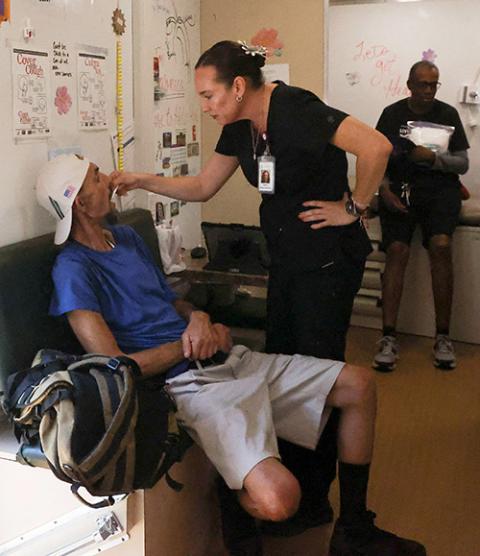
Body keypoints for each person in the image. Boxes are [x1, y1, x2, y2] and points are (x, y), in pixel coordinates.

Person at [36, 153, 426, 556]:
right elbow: (115, 368)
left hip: (226, 357)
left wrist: (200, 318)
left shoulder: (128, 238)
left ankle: (353, 528)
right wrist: (185, 345)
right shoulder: (72, 270)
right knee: (279, 500)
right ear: (80, 203)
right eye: (97, 178)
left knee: (359, 385)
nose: (108, 179)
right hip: (184, 384)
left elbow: (172, 303)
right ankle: (233, 500)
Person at [110, 40, 392, 552]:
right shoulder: (238, 128)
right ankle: (301, 490)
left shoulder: (298, 109)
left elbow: (377, 147)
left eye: (209, 94)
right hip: (287, 265)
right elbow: (201, 187)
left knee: (320, 377)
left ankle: (318, 503)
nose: (205, 105)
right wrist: (138, 180)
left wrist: (355, 208)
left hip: (326, 266)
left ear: (238, 86)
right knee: (291, 366)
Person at [373, 61, 469, 372]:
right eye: (423, 84)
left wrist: (434, 158)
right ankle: (388, 337)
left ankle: (443, 337)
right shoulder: (392, 114)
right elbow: (376, 159)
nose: (428, 90)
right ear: (410, 84)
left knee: (441, 246)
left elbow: (463, 164)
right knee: (397, 251)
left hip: (440, 191)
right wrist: (383, 190)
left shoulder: (448, 114)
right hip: (400, 191)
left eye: (434, 84)